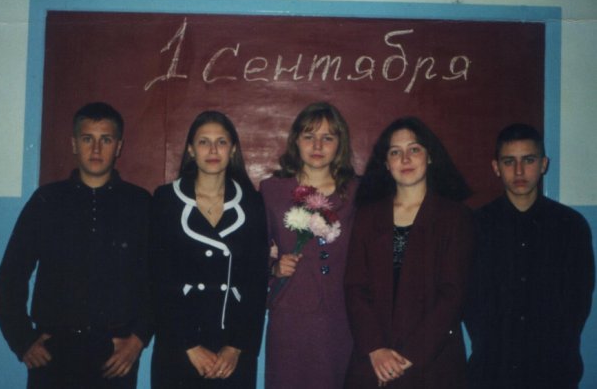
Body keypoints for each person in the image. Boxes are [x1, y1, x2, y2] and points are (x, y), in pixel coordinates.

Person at [0, 102, 153, 389]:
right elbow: (11, 275)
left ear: (118, 146)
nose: (96, 149)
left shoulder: (140, 204)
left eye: (106, 139)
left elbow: (157, 279)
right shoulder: (47, 201)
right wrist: (23, 340)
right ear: (73, 144)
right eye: (87, 138)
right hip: (53, 353)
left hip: (115, 355)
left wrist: (138, 340)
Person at [344, 116, 474, 388]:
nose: (405, 159)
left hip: (433, 360)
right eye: (395, 152)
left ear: (430, 156)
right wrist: (376, 349)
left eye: (414, 149)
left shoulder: (455, 217)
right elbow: (355, 287)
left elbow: (453, 294)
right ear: (386, 163)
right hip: (374, 359)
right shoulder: (367, 216)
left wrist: (410, 356)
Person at [464, 123, 595, 389]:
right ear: (496, 167)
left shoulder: (570, 226)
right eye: (509, 161)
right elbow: (469, 299)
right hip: (492, 370)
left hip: (553, 369)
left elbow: (579, 299)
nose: (519, 171)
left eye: (529, 160)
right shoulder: (475, 226)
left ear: (544, 164)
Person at [150, 110, 268, 389]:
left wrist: (236, 347)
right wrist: (189, 346)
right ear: (191, 150)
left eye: (221, 142)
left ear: (233, 149)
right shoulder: (165, 200)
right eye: (204, 142)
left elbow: (256, 282)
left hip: (232, 349)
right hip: (179, 345)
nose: (213, 150)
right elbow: (156, 279)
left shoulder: (251, 203)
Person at [260, 101, 358, 389]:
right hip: (290, 317)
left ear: (339, 144)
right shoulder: (272, 190)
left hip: (341, 318)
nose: (317, 145)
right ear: (296, 141)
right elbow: (252, 254)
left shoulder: (356, 191)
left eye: (328, 137)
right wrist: (274, 267)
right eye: (309, 136)